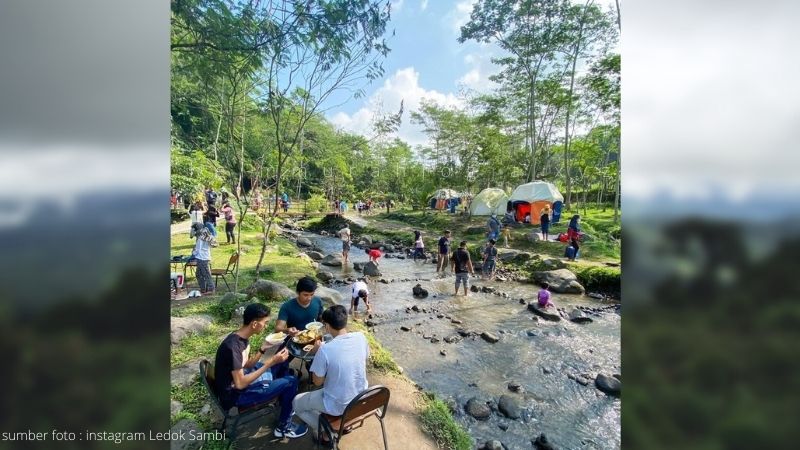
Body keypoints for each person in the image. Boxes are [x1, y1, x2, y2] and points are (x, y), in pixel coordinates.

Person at [214, 303, 307, 439]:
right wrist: (270, 361)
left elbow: (246, 365)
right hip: (236, 395)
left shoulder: (239, 337)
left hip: (239, 381)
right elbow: (240, 384)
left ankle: (284, 401)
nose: (266, 326)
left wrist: (263, 348)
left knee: (280, 365)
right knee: (291, 381)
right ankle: (283, 427)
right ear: (254, 324)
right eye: (265, 322)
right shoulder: (233, 347)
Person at [292, 305, 369, 443]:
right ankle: (346, 424)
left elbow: (317, 382)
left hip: (338, 404)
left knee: (297, 403)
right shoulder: (361, 337)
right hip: (361, 397)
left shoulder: (325, 350)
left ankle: (328, 430)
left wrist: (318, 353)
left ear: (326, 326)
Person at [190, 222, 218, 295]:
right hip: (201, 258)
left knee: (206, 274)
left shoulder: (202, 237)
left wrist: (193, 253)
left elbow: (198, 249)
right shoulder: (202, 236)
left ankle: (211, 289)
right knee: (198, 274)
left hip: (203, 258)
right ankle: (203, 289)